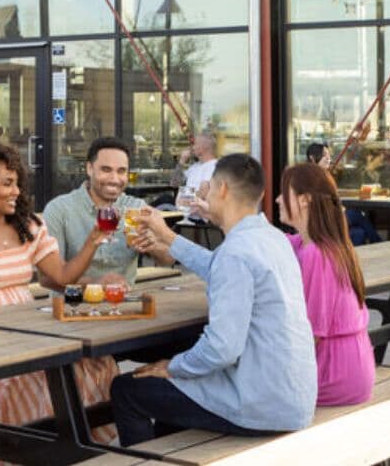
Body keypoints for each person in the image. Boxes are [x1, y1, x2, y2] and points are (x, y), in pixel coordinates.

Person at [117, 154, 317, 445]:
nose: (205, 194)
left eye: (208, 187)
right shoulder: (272, 239)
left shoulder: (235, 253)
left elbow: (222, 349)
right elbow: (217, 266)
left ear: (221, 190)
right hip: (293, 395)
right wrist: (168, 236)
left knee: (126, 390)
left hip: (260, 405)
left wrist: (172, 366)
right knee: (176, 379)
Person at [0, 141, 120, 441]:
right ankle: (31, 451)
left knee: (94, 363)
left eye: (17, 183)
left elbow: (62, 276)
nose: (17, 191)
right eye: (7, 183)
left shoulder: (28, 226)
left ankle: (76, 448)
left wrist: (93, 241)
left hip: (29, 325)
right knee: (35, 376)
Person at [276, 163, 376, 406]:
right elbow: (267, 242)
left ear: (304, 200)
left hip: (334, 375)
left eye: (284, 193)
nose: (278, 200)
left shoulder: (317, 254)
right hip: (351, 368)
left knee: (238, 386)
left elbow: (311, 334)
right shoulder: (310, 243)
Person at [43, 137, 172, 286]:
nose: (114, 179)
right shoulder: (59, 209)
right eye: (106, 170)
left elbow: (168, 260)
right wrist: (95, 284)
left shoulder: (136, 208)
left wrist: (153, 247)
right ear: (89, 169)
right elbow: (47, 279)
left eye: (121, 171)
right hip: (71, 305)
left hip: (122, 304)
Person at [306, 142, 378, 245]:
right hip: (323, 219)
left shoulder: (324, 175)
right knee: (356, 214)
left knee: (359, 233)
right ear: (312, 158)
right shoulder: (309, 176)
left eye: (329, 155)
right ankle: (377, 243)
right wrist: (338, 209)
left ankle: (351, 258)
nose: (328, 158)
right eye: (324, 155)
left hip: (331, 215)